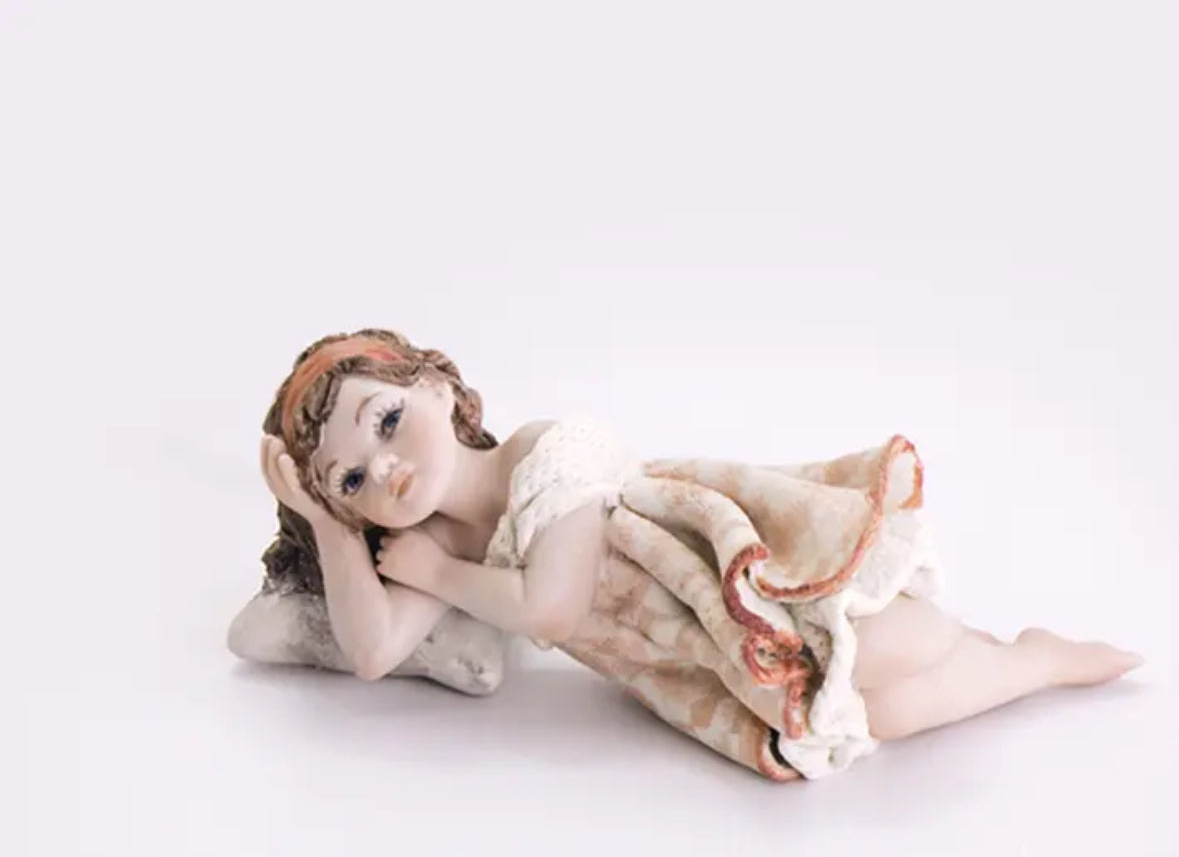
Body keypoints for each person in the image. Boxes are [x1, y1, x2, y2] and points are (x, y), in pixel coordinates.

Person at [227, 328, 1143, 780]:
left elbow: (550, 606)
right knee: (883, 717)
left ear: (434, 387)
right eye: (352, 478)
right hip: (688, 656)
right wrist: (321, 519)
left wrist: (440, 577)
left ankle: (1018, 652)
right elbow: (374, 649)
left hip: (721, 582)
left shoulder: (543, 453)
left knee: (892, 647)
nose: (384, 468)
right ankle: (1025, 661)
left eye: (386, 422)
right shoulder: (433, 539)